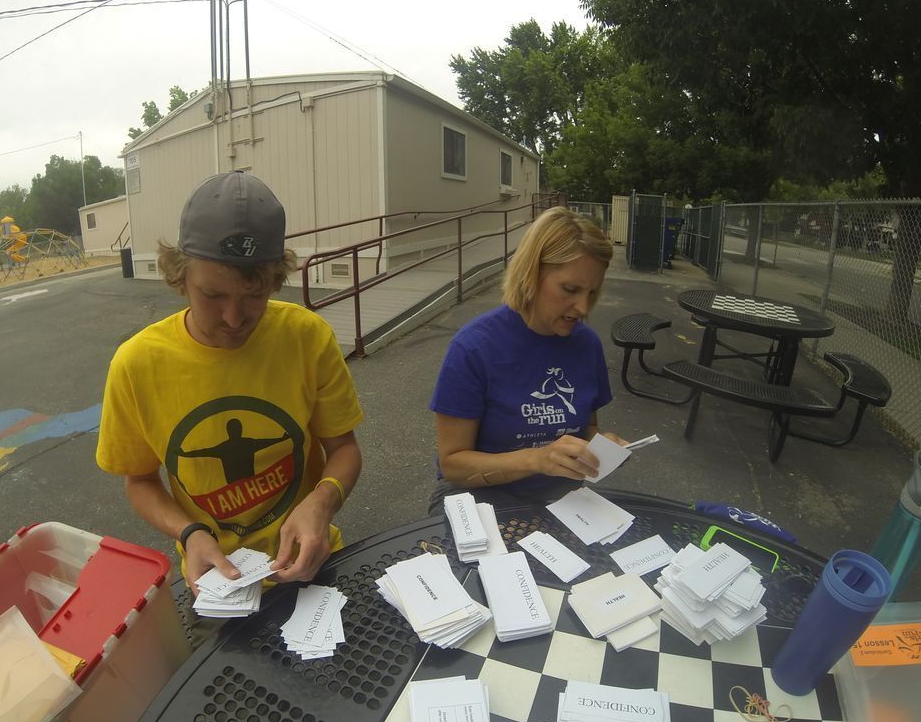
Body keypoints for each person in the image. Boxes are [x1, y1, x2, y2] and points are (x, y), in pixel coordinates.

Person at [97, 171, 363, 591]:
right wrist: (190, 533)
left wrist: (322, 500)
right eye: (213, 296)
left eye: (255, 296)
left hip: (311, 560)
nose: (234, 319)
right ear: (179, 277)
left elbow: (343, 448)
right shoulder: (136, 365)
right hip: (217, 578)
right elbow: (141, 480)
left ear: (275, 280)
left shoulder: (307, 337)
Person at [429, 206, 626, 512]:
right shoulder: (474, 348)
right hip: (481, 498)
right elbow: (453, 465)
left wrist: (603, 444)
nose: (583, 307)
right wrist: (538, 459)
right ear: (531, 273)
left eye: (592, 292)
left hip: (562, 498)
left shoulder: (586, 345)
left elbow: (586, 426)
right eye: (570, 289)